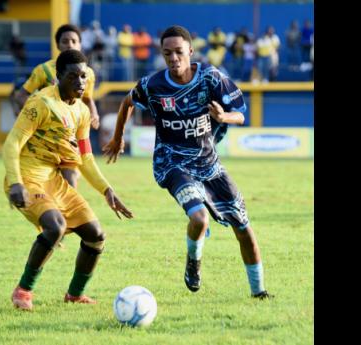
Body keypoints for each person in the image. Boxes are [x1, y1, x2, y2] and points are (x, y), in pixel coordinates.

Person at [102, 25, 272, 299]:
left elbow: (240, 114)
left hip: (209, 165)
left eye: (179, 52)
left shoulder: (211, 78)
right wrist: (118, 138)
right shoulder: (152, 85)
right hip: (172, 164)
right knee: (199, 217)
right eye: (167, 53)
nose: (173, 58)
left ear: (190, 51)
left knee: (243, 227)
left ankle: (259, 292)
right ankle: (194, 262)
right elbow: (127, 101)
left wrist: (223, 117)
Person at [3, 49, 133, 311]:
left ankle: (75, 294)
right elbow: (12, 142)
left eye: (83, 76)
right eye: (72, 76)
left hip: (53, 180)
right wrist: (15, 182)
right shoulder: (41, 103)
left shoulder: (83, 112)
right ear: (58, 78)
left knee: (96, 236)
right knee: (55, 227)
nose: (80, 82)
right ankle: (23, 291)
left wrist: (107, 190)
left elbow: (85, 158)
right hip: (27, 178)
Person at [12, 24, 100, 188]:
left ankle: (68, 211)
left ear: (80, 44)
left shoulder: (88, 72)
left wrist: (94, 114)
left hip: (70, 132)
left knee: (71, 175)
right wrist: (34, 117)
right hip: (46, 135)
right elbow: (21, 95)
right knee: (46, 181)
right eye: (65, 41)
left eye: (74, 41)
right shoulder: (43, 70)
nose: (70, 45)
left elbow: (88, 99)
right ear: (58, 45)